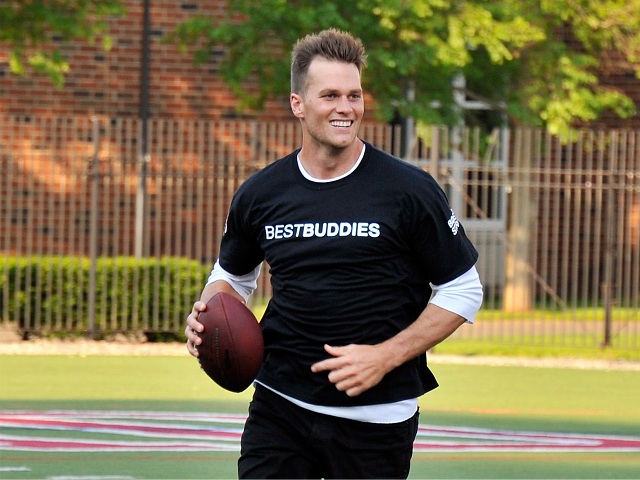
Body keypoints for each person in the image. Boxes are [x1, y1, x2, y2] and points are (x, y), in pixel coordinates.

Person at [185, 28, 483, 479]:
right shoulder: (261, 193)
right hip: (280, 403)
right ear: (298, 104)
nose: (346, 108)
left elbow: (463, 289)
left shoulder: (408, 190)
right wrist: (208, 313)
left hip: (376, 417)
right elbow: (232, 276)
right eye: (330, 95)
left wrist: (384, 356)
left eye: (354, 95)